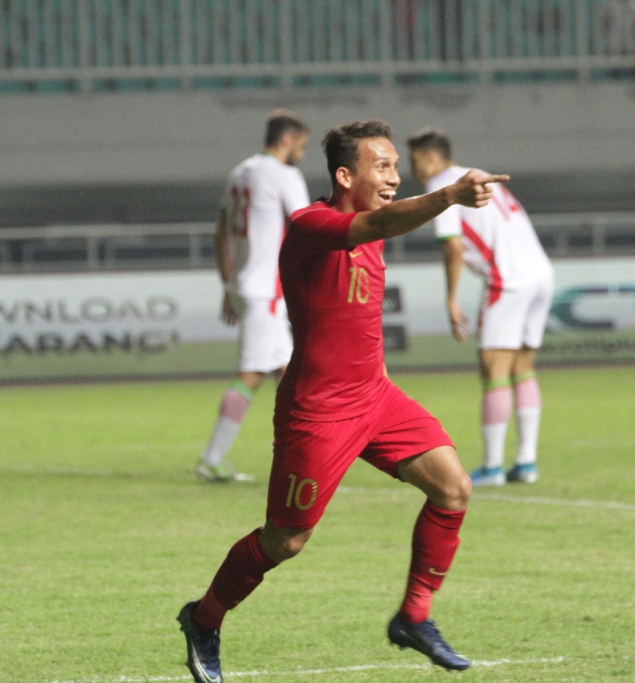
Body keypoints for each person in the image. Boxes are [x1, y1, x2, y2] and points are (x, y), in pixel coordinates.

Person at [177, 119, 507, 682]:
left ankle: (414, 617)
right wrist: (450, 195)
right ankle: (204, 619)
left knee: (453, 488)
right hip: (319, 411)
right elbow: (377, 220)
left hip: (376, 398)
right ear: (344, 174)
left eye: (396, 167)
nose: (395, 176)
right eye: (382, 166)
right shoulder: (311, 223)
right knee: (287, 539)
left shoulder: (374, 232)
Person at [407, 128, 554, 487]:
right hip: (541, 274)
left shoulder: (444, 186)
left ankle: (491, 467)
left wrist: (451, 298)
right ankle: (526, 462)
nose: (410, 170)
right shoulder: (478, 174)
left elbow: (452, 247)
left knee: (494, 372)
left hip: (509, 280)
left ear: (429, 157)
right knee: (523, 369)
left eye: (412, 161)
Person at [195, 109, 311, 483]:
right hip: (267, 291)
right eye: (302, 146)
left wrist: (228, 286)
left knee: (290, 375)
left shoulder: (240, 172)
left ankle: (304, 459)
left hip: (246, 286)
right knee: (251, 374)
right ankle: (211, 458)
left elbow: (220, 233)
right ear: (287, 140)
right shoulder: (284, 175)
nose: (302, 155)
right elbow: (306, 227)